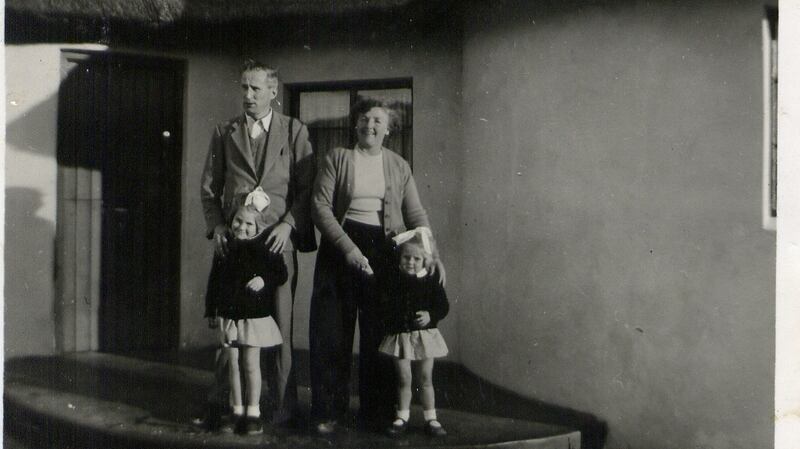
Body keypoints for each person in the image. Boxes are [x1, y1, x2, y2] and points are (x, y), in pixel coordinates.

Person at [309, 98, 446, 434]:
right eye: (365, 119)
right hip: (340, 251)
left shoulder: (399, 165)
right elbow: (320, 208)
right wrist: (350, 251)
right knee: (332, 333)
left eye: (378, 121)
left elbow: (416, 215)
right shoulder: (337, 158)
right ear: (355, 124)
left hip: (385, 254)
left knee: (381, 335)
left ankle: (378, 413)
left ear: (388, 129)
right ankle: (329, 411)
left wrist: (433, 254)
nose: (370, 126)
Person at [200, 59, 315, 427]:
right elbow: (209, 190)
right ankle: (227, 404)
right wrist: (218, 228)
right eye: (244, 88)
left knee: (277, 327)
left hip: (276, 245)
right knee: (233, 331)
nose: (247, 95)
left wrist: (289, 225)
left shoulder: (294, 131)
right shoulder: (224, 132)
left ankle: (280, 407)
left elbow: (306, 189)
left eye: (255, 88)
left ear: (273, 91)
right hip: (236, 246)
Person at [205, 189, 288, 435]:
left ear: (258, 225)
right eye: (237, 221)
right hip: (230, 317)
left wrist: (264, 280)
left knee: (251, 364)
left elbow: (280, 273)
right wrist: (212, 310)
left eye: (248, 223)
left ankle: (253, 412)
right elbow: (215, 281)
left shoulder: (265, 249)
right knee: (232, 363)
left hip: (254, 316)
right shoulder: (225, 247)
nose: (241, 227)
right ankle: (235, 410)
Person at [379, 233, 449, 437]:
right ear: (399, 257)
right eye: (406, 257)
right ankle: (402, 416)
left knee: (426, 378)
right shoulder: (393, 280)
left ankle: (431, 418)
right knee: (404, 378)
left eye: (416, 259)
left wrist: (431, 315)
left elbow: (443, 306)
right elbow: (384, 306)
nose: (411, 262)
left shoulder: (431, 280)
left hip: (425, 337)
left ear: (425, 260)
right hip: (401, 337)